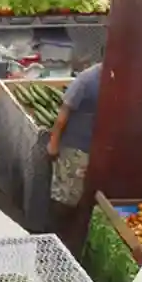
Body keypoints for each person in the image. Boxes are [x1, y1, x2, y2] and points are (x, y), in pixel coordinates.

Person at [47, 63, 101, 211]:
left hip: (95, 149)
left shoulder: (118, 79)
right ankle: (55, 230)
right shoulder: (87, 79)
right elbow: (63, 113)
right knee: (66, 196)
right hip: (75, 148)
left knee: (82, 196)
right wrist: (54, 143)